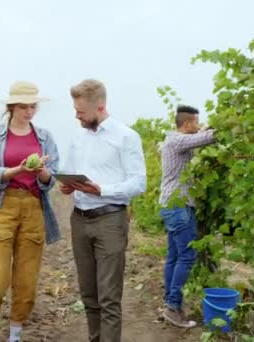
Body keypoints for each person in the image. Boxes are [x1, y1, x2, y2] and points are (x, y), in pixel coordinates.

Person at [0, 81, 61, 342]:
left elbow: (50, 181)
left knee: (27, 282)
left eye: (33, 106)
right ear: (11, 107)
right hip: (3, 207)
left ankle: (15, 334)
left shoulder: (45, 137)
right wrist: (20, 169)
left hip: (34, 208)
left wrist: (42, 171)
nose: (29, 112)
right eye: (24, 107)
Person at [59, 79, 146, 342]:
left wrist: (102, 190)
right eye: (75, 111)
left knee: (108, 297)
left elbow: (139, 183)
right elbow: (72, 173)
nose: (77, 116)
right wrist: (68, 186)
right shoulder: (77, 139)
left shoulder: (126, 137)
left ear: (100, 107)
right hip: (80, 220)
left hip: (110, 220)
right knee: (89, 295)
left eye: (81, 112)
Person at [158, 105, 216, 328]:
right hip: (177, 206)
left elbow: (200, 136)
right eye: (196, 122)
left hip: (175, 206)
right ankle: (173, 306)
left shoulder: (175, 140)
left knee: (174, 255)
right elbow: (208, 138)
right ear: (187, 124)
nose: (198, 126)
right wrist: (227, 128)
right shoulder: (176, 141)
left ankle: (170, 303)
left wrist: (205, 130)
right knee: (187, 255)